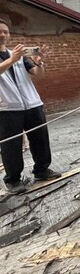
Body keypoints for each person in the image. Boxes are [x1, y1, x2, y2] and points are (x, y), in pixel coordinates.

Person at [0, 18, 61, 194]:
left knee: (40, 139)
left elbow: (38, 74)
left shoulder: (19, 56)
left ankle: (42, 170)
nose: (3, 35)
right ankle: (13, 180)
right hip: (7, 108)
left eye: (5, 31)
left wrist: (39, 61)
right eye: (0, 31)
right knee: (11, 145)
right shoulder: (15, 56)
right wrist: (12, 59)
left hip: (32, 103)